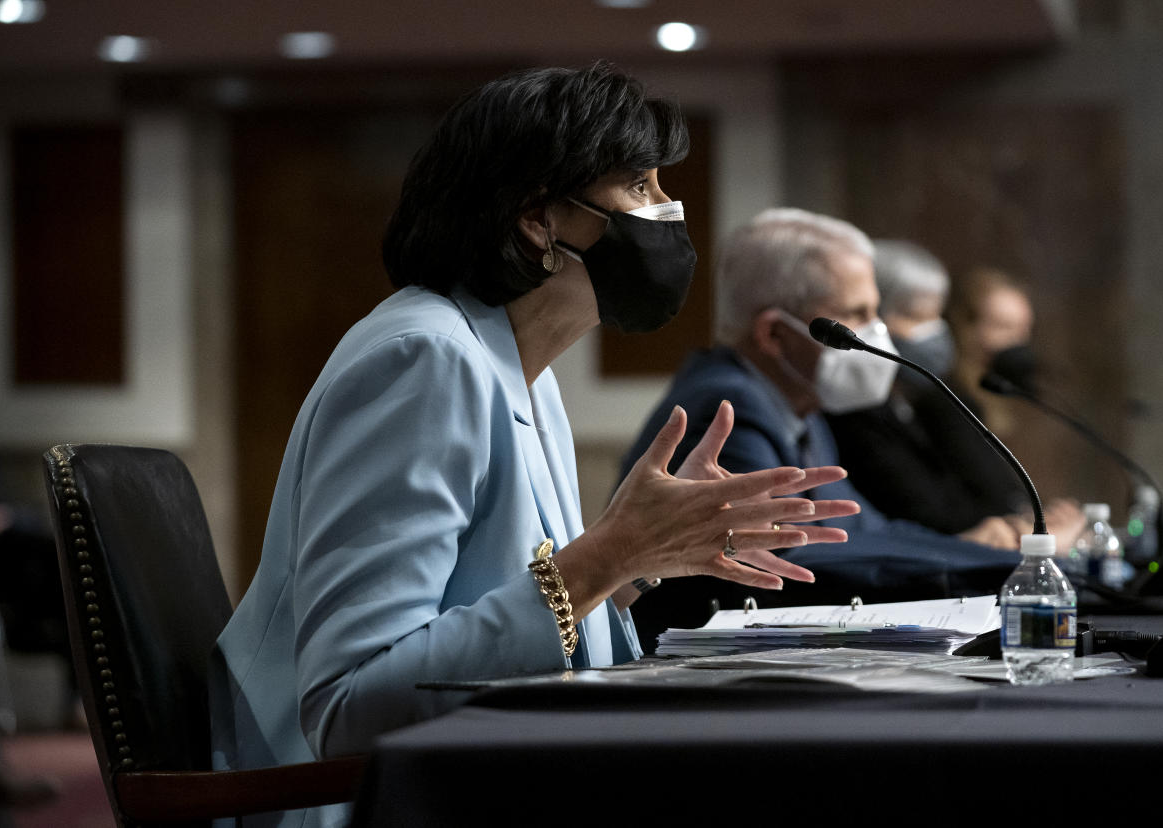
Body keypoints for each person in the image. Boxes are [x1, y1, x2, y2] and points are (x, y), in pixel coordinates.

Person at [210, 65, 858, 828]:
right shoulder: (424, 357)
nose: (670, 211)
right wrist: (606, 557)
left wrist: (640, 564)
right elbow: (351, 708)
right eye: (640, 186)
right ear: (537, 220)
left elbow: (492, 604)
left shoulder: (519, 364)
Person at [619, 210, 1077, 652]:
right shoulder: (726, 411)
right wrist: (1007, 565)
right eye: (856, 315)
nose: (878, 334)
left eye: (877, 312)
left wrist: (976, 546)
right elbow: (790, 563)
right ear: (775, 335)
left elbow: (863, 529)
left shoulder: (800, 403)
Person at [827, 241, 1081, 535]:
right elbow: (925, 514)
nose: (935, 332)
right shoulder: (860, 410)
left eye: (935, 316)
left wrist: (1023, 524)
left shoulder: (908, 404)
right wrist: (1012, 533)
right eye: (917, 316)